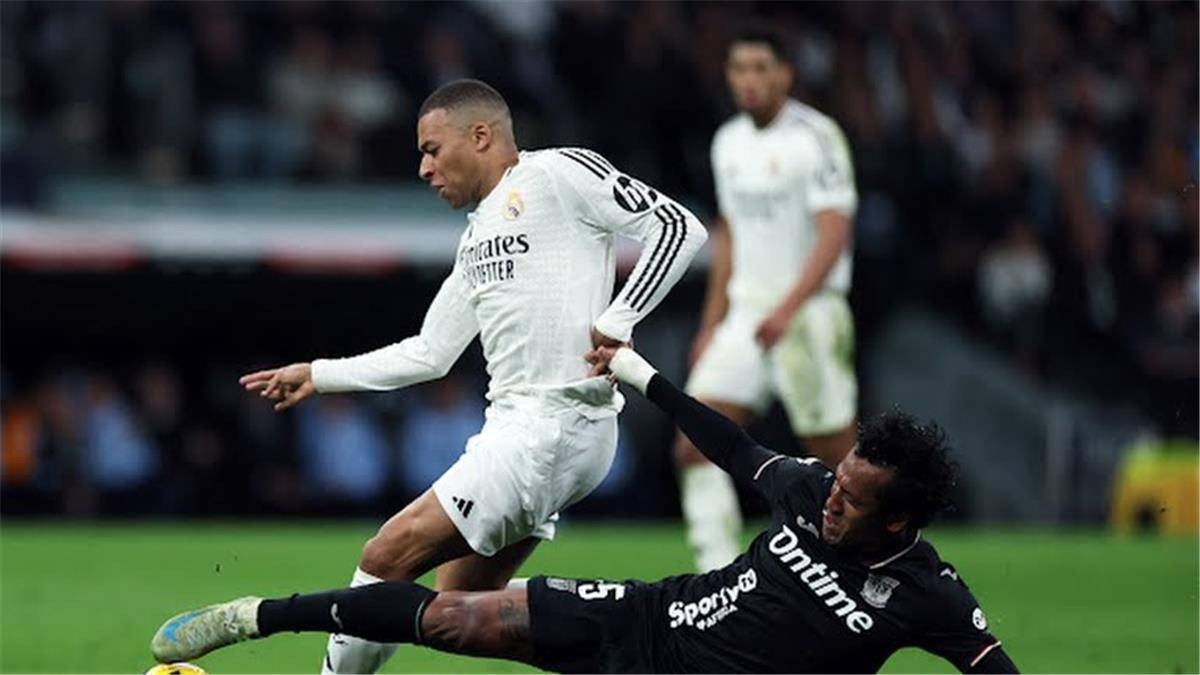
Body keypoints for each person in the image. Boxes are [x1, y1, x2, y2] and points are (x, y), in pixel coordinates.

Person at [153, 346, 1017, 674]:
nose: (832, 499)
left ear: (897, 521)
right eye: (837, 481)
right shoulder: (808, 488)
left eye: (852, 499)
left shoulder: (927, 592)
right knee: (454, 615)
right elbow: (731, 445)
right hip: (647, 619)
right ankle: (252, 616)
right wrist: (642, 377)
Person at [236, 79, 707, 674]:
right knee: (456, 612)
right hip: (524, 432)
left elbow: (679, 227)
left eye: (432, 150)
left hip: (551, 425)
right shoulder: (476, 238)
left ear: (480, 135)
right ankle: (618, 632)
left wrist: (620, 317)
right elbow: (430, 353)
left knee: (385, 557)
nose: (424, 169)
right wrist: (320, 375)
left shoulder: (557, 174)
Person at [678, 25, 861, 572]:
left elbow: (834, 231)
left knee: (838, 460)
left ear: (785, 74)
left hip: (809, 313)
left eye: (761, 68)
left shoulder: (816, 136)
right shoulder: (727, 141)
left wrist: (788, 307)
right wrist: (712, 323)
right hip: (746, 314)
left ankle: (868, 568)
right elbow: (729, 235)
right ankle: (716, 574)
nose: (749, 80)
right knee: (694, 442)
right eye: (739, 69)